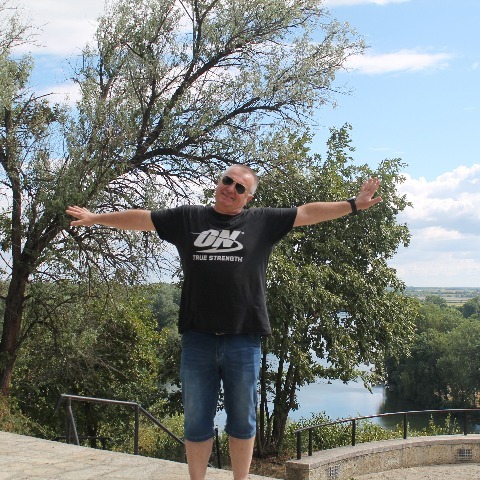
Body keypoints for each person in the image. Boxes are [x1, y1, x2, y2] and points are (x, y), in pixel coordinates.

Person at [66, 164, 381, 480]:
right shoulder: (188, 218)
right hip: (197, 339)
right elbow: (142, 219)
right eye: (227, 181)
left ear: (248, 198)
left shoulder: (261, 222)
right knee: (196, 423)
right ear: (219, 182)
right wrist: (96, 218)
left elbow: (308, 213)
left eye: (240, 187)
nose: (230, 188)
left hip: (243, 339)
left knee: (242, 422)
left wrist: (354, 204)